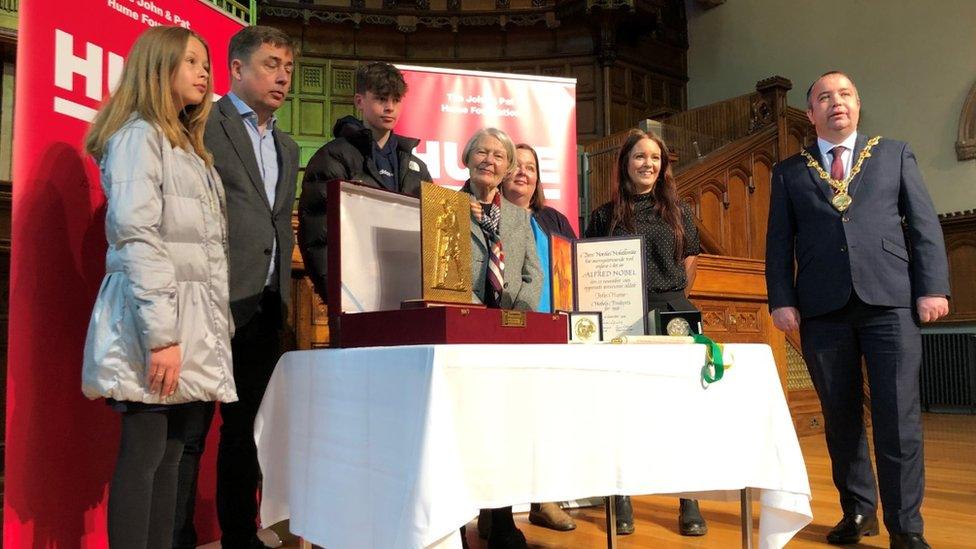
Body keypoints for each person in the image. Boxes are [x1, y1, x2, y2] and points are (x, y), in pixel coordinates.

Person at [765, 71, 949, 549]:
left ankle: (906, 527)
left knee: (897, 418)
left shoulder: (895, 154)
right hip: (822, 310)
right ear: (810, 114)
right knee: (841, 419)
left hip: (890, 302)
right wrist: (782, 299)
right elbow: (779, 243)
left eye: (844, 94)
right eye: (824, 97)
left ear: (858, 104)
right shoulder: (789, 171)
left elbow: (924, 225)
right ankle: (859, 510)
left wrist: (932, 288)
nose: (835, 103)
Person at [81, 26, 237, 548]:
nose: (204, 73)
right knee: (145, 456)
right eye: (191, 62)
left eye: (205, 63)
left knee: (172, 454)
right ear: (158, 68)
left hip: (187, 325)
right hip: (156, 325)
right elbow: (137, 238)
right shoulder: (137, 137)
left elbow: (206, 260)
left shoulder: (190, 149)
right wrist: (162, 337)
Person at [170, 25, 300, 549]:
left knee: (245, 432)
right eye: (271, 64)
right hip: (212, 301)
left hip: (266, 305)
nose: (283, 77)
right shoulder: (203, 121)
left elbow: (275, 222)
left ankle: (240, 537)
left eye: (288, 68)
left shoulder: (288, 146)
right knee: (191, 433)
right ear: (237, 69)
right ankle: (177, 538)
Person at [584, 129, 706, 537]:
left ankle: (688, 499)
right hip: (622, 318)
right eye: (640, 157)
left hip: (672, 311)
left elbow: (690, 257)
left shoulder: (679, 210)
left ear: (663, 165)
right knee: (623, 408)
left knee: (680, 410)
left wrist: (673, 295)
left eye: (655, 158)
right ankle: (621, 495)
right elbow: (592, 267)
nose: (648, 164)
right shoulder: (603, 215)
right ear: (625, 163)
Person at [461, 128, 542, 549]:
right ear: (467, 158)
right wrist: (475, 314)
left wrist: (514, 313)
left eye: (498, 155)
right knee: (465, 427)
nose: (490, 161)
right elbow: (440, 269)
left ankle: (501, 517)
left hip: (509, 334)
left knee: (504, 426)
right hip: (464, 332)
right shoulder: (445, 205)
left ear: (508, 167)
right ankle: (459, 519)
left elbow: (534, 274)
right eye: (482, 152)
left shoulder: (519, 216)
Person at [299, 61, 432, 301]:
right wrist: (338, 296)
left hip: (409, 293)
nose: (389, 107)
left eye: (396, 99)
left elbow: (432, 235)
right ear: (360, 101)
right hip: (353, 294)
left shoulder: (417, 168)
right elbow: (318, 235)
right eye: (381, 98)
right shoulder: (333, 157)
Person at [499, 143, 577, 532]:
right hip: (508, 329)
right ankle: (495, 507)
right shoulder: (491, 214)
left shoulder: (554, 220)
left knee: (548, 416)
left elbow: (574, 270)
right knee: (510, 418)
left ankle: (544, 498)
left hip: (554, 330)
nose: (523, 173)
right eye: (515, 165)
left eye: (530, 167)